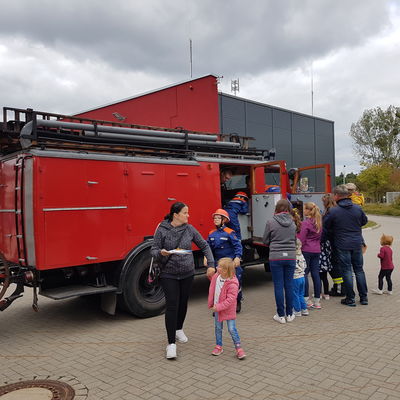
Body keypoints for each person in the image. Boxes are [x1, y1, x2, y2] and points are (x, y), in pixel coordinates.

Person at [151, 202, 214, 359]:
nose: (188, 215)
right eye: (185, 213)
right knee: (172, 305)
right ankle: (171, 344)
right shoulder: (162, 229)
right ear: (176, 215)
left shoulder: (190, 229)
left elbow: (204, 245)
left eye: (188, 212)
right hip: (168, 273)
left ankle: (179, 329)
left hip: (187, 273)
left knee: (183, 302)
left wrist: (211, 264)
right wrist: (161, 253)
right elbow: (153, 250)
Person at [324, 185, 368, 307]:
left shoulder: (334, 211)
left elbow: (326, 227)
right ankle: (364, 298)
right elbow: (364, 221)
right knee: (359, 270)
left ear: (337, 196)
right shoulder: (357, 208)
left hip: (342, 244)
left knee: (347, 271)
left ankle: (350, 298)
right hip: (356, 243)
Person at [263, 199, 297, 324]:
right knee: (289, 285)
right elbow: (294, 240)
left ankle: (281, 315)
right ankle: (290, 314)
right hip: (290, 257)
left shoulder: (271, 222)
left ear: (277, 208)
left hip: (276, 257)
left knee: (278, 286)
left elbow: (265, 240)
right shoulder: (293, 223)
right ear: (288, 209)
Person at [208, 257, 246, 359]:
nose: (217, 267)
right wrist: (209, 274)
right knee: (218, 328)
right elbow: (213, 284)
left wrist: (218, 307)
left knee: (231, 329)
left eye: (219, 267)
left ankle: (238, 348)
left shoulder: (233, 283)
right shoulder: (217, 276)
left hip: (227, 309)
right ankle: (219, 346)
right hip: (217, 309)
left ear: (225, 270)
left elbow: (230, 300)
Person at [207, 209, 243, 312]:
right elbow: (207, 248)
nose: (216, 220)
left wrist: (237, 257)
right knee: (217, 285)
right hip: (218, 264)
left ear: (224, 220)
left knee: (236, 283)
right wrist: (206, 257)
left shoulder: (230, 232)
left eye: (218, 218)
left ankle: (237, 301)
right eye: (215, 218)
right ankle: (218, 307)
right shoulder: (211, 233)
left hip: (229, 263)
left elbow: (238, 246)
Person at [298, 202, 322, 309]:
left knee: (305, 273)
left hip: (306, 250)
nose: (303, 211)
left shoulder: (306, 223)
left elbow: (301, 239)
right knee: (316, 274)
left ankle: (306, 299)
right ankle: (317, 300)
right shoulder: (319, 222)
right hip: (316, 250)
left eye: (304, 209)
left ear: (308, 210)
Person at [293, 239, 309, 316]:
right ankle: (304, 309)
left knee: (295, 294)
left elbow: (293, 266)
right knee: (301, 294)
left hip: (295, 277)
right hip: (302, 276)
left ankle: (297, 310)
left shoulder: (293, 256)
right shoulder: (301, 255)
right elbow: (305, 265)